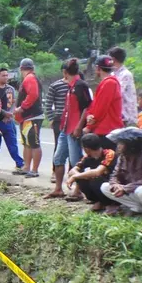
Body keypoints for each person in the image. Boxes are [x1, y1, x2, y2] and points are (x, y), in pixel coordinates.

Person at [47, 58, 92, 199]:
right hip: (65, 127)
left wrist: (79, 126)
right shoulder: (71, 85)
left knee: (75, 160)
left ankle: (78, 190)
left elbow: (87, 106)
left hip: (74, 129)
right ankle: (58, 188)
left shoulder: (80, 85)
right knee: (58, 157)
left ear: (65, 72)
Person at [100, 127, 142, 215]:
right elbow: (115, 175)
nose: (118, 146)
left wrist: (125, 188)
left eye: (121, 143)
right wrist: (115, 185)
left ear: (131, 145)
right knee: (105, 187)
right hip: (130, 190)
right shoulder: (122, 157)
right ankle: (137, 207)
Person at [66, 133, 118, 212]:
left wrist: (75, 176)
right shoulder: (88, 157)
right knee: (82, 179)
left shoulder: (109, 154)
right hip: (100, 184)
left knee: (95, 179)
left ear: (86, 149)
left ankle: (110, 204)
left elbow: (97, 172)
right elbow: (72, 170)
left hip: (113, 184)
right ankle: (99, 201)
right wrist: (79, 176)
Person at [83, 55, 123, 149]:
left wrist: (89, 126)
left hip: (107, 130)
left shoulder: (109, 83)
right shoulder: (109, 82)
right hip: (106, 129)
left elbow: (101, 108)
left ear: (98, 68)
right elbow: (95, 106)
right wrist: (89, 115)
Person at [14, 58, 44, 178]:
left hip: (33, 116)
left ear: (21, 68)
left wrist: (22, 107)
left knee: (34, 143)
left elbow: (33, 95)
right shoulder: (30, 78)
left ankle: (34, 169)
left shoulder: (30, 78)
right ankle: (26, 167)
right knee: (27, 143)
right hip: (27, 117)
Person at [0, 68, 25, 172]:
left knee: (12, 143)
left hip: (8, 121)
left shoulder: (10, 89)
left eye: (7, 75)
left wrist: (9, 114)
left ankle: (19, 163)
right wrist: (4, 113)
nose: (6, 77)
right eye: (3, 75)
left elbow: (14, 103)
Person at [44, 62, 70, 182]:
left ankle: (71, 172)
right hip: (59, 120)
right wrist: (51, 118)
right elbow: (48, 104)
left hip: (73, 120)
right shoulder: (56, 86)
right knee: (58, 146)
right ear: (64, 72)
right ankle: (55, 171)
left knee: (73, 147)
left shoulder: (77, 85)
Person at [108, 47, 137, 126]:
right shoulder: (113, 74)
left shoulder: (125, 75)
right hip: (117, 115)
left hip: (126, 117)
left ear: (113, 59)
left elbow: (117, 93)